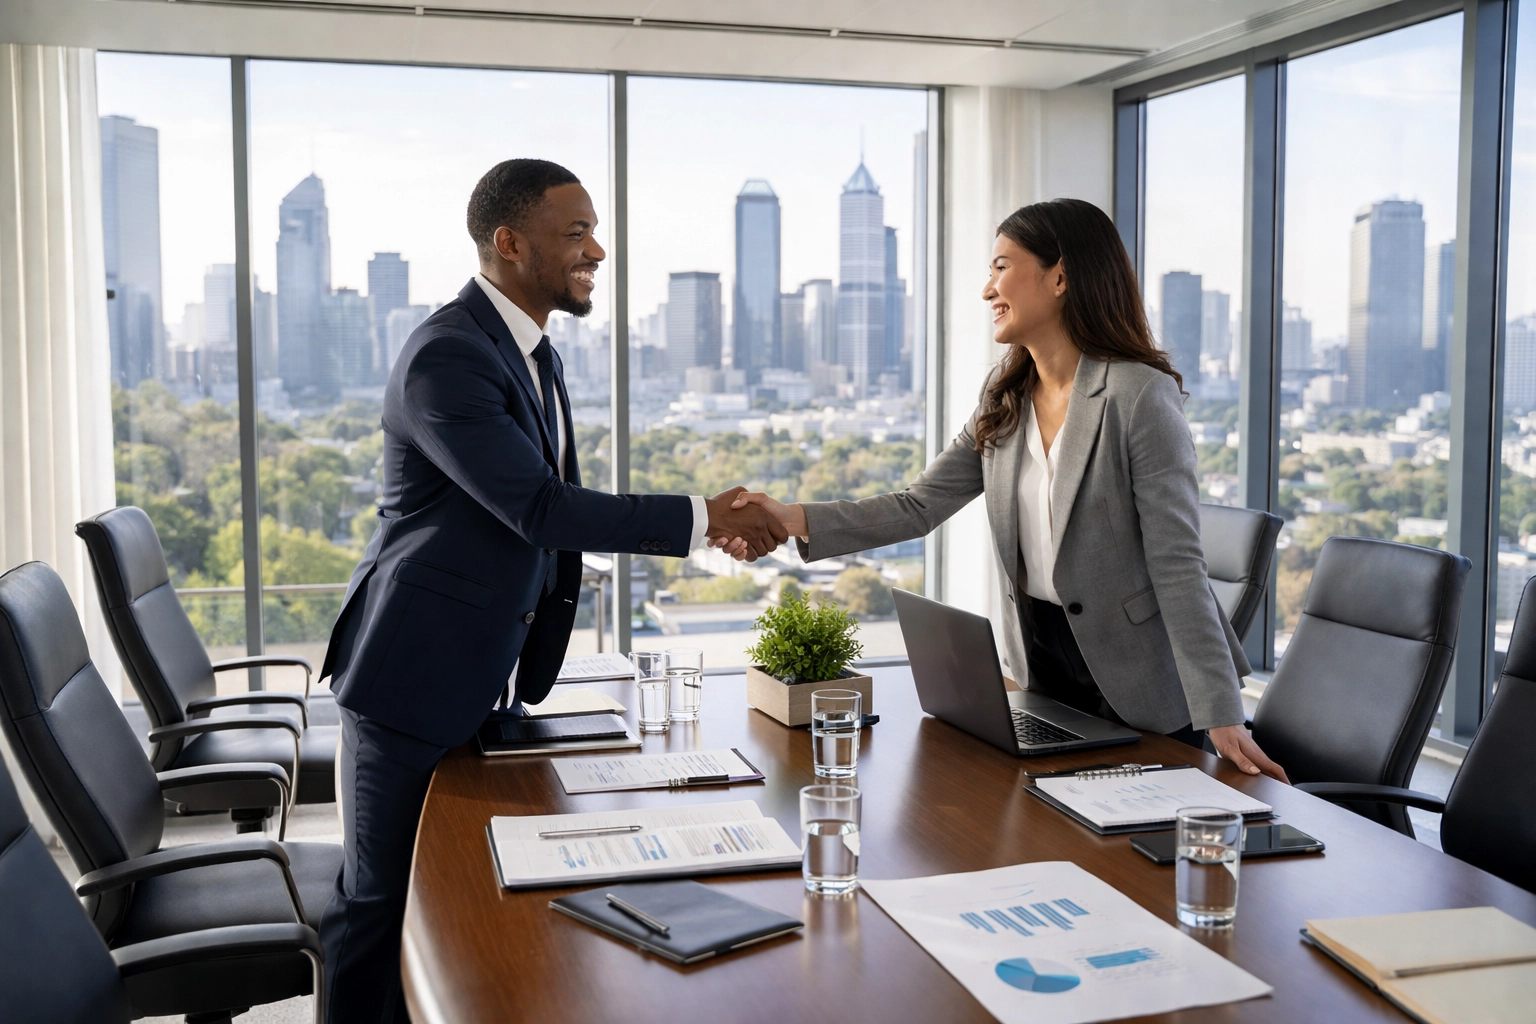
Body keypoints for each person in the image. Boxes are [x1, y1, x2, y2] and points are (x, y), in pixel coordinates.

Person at [316, 158, 787, 1023]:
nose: (597, 250)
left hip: (475, 667)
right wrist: (699, 518)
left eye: (593, 232)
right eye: (576, 234)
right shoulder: (449, 355)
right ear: (509, 242)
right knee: (379, 904)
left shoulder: (530, 351)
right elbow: (538, 506)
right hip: (408, 677)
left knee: (458, 892)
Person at [722, 198, 1287, 782]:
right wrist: (789, 518)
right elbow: (919, 506)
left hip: (1142, 689)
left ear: (1060, 275)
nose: (987, 289)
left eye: (1000, 266)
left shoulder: (1138, 396)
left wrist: (1221, 712)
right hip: (1043, 675)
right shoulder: (1006, 393)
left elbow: (1177, 564)